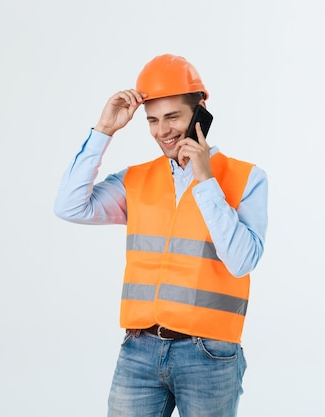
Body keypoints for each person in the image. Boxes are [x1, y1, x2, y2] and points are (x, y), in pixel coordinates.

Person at [54, 54, 268, 417]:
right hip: (139, 351)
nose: (162, 130)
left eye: (173, 117)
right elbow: (69, 206)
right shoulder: (135, 180)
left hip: (210, 355)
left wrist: (205, 181)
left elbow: (243, 260)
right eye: (152, 120)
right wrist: (103, 130)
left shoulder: (247, 178)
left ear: (200, 111)